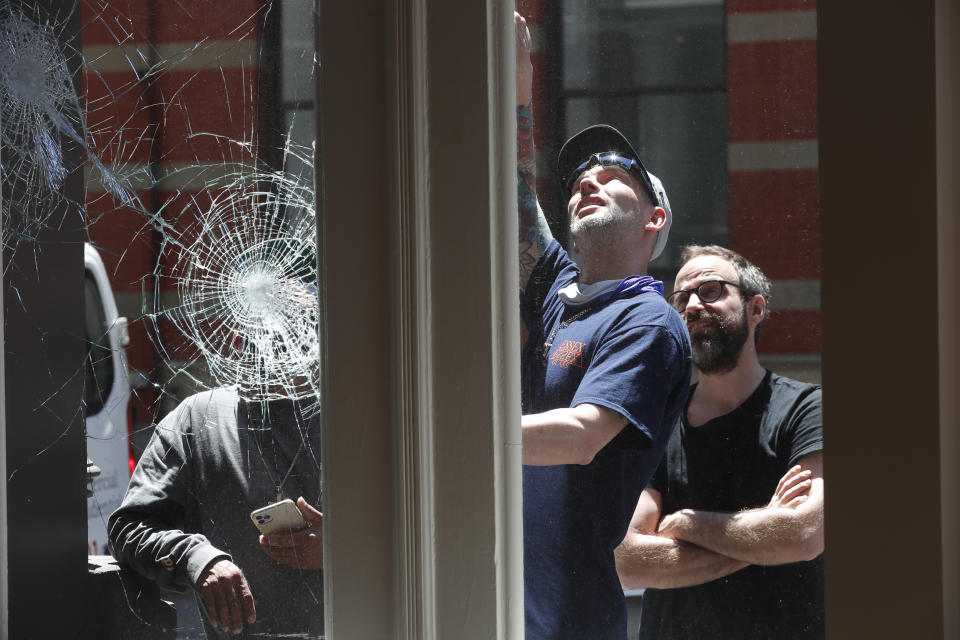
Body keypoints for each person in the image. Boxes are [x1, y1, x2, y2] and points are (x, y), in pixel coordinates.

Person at [515, 14, 691, 639]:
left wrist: (451, 443)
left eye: (615, 172)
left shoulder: (649, 320)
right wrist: (517, 84)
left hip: (568, 622)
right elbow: (510, 187)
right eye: (580, 178)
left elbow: (583, 435)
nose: (588, 178)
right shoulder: (552, 289)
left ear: (654, 216)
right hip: (497, 605)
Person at [615, 245, 825, 639]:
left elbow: (804, 534)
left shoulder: (805, 408)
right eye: (681, 299)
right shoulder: (659, 422)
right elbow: (627, 561)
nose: (692, 306)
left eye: (711, 291)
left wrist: (684, 524)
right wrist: (763, 536)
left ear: (755, 308)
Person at [109, 388, 324, 638]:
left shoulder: (361, 414)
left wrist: (346, 548)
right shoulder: (198, 417)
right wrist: (196, 558)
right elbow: (127, 527)